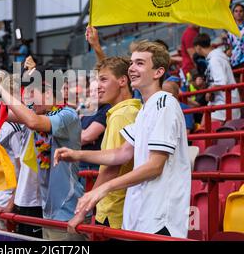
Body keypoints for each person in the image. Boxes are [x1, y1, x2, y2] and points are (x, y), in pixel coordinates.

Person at [55, 41, 191, 238]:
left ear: (158, 72)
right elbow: (122, 153)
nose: (132, 69)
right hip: (142, 215)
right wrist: (76, 154)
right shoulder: (146, 108)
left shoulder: (165, 104)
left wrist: (103, 188)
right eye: (132, 63)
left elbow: (155, 166)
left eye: (140, 63)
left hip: (160, 219)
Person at [0, 66, 86, 241]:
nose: (29, 98)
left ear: (48, 91)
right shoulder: (42, 112)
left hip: (68, 215)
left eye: (32, 92)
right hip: (47, 214)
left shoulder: (68, 115)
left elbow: (32, 121)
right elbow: (2, 114)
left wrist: (1, 87)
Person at [70, 56, 142, 232]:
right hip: (122, 207)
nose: (97, 86)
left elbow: (111, 169)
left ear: (122, 81)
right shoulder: (130, 111)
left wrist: (84, 209)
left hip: (114, 210)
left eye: (103, 79)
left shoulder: (120, 115)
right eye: (96, 81)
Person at [193, 33, 241, 122]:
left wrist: (209, 92)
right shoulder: (214, 57)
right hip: (221, 102)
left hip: (224, 104)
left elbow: (221, 82)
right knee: (203, 127)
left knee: (204, 130)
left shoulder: (214, 59)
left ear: (198, 47)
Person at [79, 79, 111, 171]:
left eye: (96, 90)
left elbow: (86, 137)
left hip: (93, 167)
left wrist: (84, 134)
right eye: (91, 91)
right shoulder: (89, 110)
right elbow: (73, 129)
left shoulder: (106, 109)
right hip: (82, 164)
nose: (92, 94)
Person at [226, 3, 244, 69]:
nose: (238, 13)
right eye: (236, 11)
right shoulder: (230, 30)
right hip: (236, 60)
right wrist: (228, 52)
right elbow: (230, 46)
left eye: (241, 11)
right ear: (233, 14)